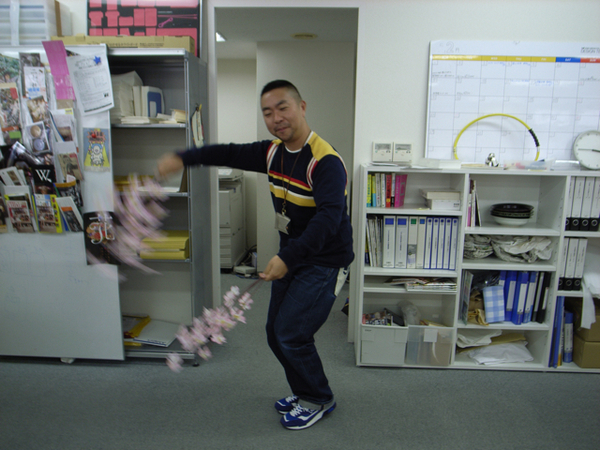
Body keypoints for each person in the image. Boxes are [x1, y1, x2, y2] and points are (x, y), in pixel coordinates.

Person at [156, 79, 354, 430]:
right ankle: (303, 389)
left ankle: (318, 397)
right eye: (268, 112)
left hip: (324, 260)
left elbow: (328, 220)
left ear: (302, 107)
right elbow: (228, 153)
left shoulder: (325, 161)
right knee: (274, 332)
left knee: (292, 333)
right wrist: (183, 158)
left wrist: (288, 258)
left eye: (283, 108)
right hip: (292, 252)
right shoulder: (273, 153)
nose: (276, 118)